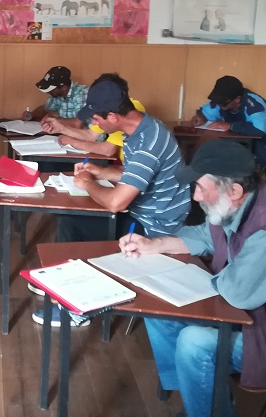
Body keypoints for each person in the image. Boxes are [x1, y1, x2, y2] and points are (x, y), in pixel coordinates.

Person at [120, 140, 266, 417]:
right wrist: (153, 244)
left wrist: (204, 279)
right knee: (159, 312)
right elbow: (204, 235)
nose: (195, 196)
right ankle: (199, 400)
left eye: (200, 187)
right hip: (259, 316)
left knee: (194, 343)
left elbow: (238, 293)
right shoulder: (238, 201)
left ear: (234, 190)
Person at [31, 77, 191, 327]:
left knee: (73, 224)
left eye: (96, 119)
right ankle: (63, 285)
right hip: (142, 212)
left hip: (155, 226)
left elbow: (117, 203)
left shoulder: (148, 142)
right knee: (74, 218)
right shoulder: (142, 128)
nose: (94, 124)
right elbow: (134, 175)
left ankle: (75, 308)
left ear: (114, 117)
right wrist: (101, 172)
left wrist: (87, 183)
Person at [191, 75, 266, 179]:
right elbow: (207, 112)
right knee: (210, 154)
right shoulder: (224, 102)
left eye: (222, 103)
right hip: (242, 145)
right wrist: (200, 118)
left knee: (227, 161)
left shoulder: (254, 104)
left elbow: (258, 130)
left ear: (237, 99)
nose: (219, 105)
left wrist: (230, 125)